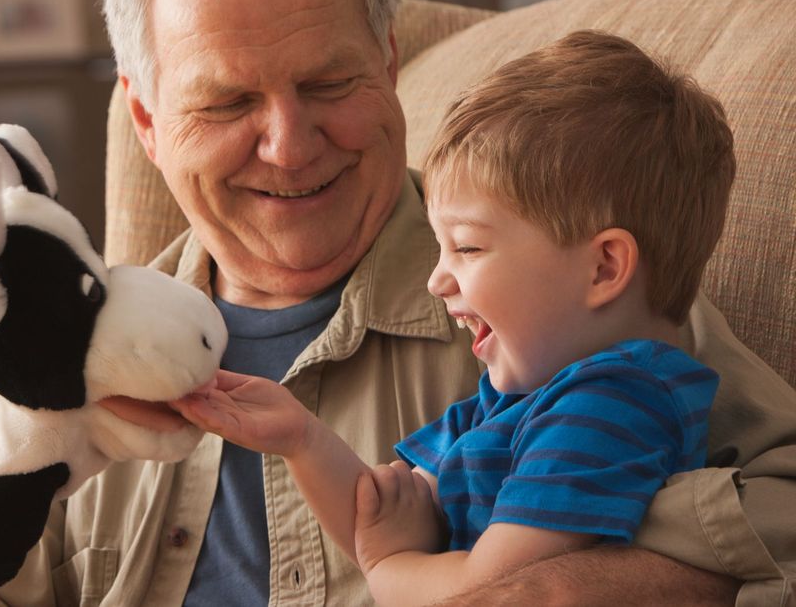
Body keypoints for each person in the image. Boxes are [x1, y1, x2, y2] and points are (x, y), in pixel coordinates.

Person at [0, 0, 796, 604]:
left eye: (329, 83)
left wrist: (552, 585)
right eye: (226, 102)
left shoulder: (551, 292)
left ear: (387, 60)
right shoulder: (67, 345)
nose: (290, 145)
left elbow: (779, 505)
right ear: (145, 121)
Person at [170, 30, 731, 606]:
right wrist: (302, 440)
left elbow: (483, 593)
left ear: (603, 268)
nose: (438, 281)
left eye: (467, 248)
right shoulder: (514, 398)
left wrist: (391, 566)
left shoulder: (613, 404)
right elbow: (386, 515)